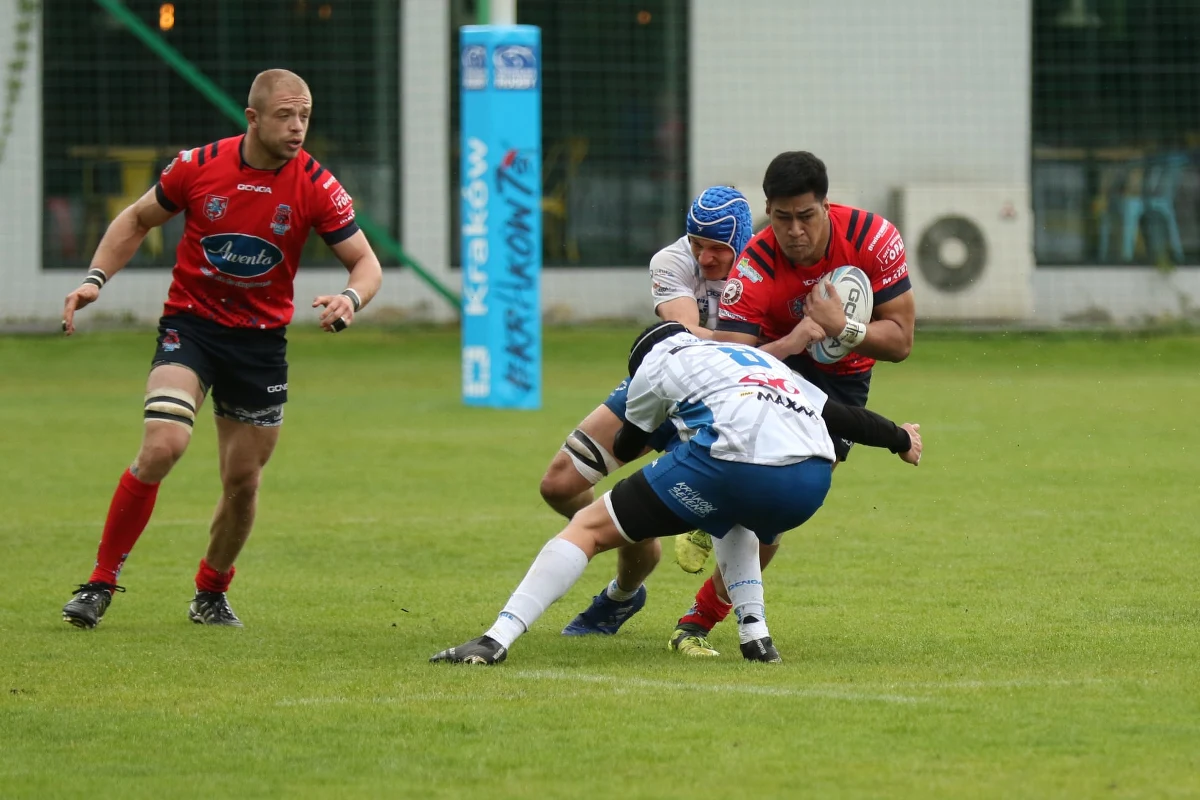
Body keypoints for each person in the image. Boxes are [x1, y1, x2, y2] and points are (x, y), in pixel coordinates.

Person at [59, 69, 383, 629]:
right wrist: (95, 279)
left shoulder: (316, 184)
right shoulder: (198, 165)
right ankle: (99, 583)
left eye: (305, 116)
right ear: (252, 118)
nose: (298, 126)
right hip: (193, 327)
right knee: (162, 445)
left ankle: (210, 591)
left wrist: (351, 298)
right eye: (285, 115)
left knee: (243, 481)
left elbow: (366, 263)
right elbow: (137, 219)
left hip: (259, 345)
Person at [430, 321, 922, 665]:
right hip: (810, 480)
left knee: (588, 528)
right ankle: (756, 636)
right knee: (734, 515)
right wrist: (900, 438)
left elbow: (627, 443)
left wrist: (664, 427)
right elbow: (841, 416)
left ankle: (495, 639)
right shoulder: (754, 358)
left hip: (731, 463)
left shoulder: (654, 363)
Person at [666, 150, 917, 656]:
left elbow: (900, 342)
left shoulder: (872, 237)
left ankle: (702, 599)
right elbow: (730, 364)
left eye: (806, 216)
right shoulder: (754, 265)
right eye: (782, 218)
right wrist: (792, 341)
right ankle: (697, 614)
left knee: (780, 508)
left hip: (845, 381)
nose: (795, 230)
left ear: (826, 205)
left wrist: (842, 327)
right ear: (768, 211)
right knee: (763, 492)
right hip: (774, 370)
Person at [536, 186, 755, 637]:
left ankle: (621, 596)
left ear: (741, 243)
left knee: (756, 515)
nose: (704, 257)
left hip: (728, 406)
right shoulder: (670, 260)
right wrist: (754, 344)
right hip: (663, 383)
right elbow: (684, 334)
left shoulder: (763, 269)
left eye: (717, 248)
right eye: (697, 244)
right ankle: (632, 532)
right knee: (558, 484)